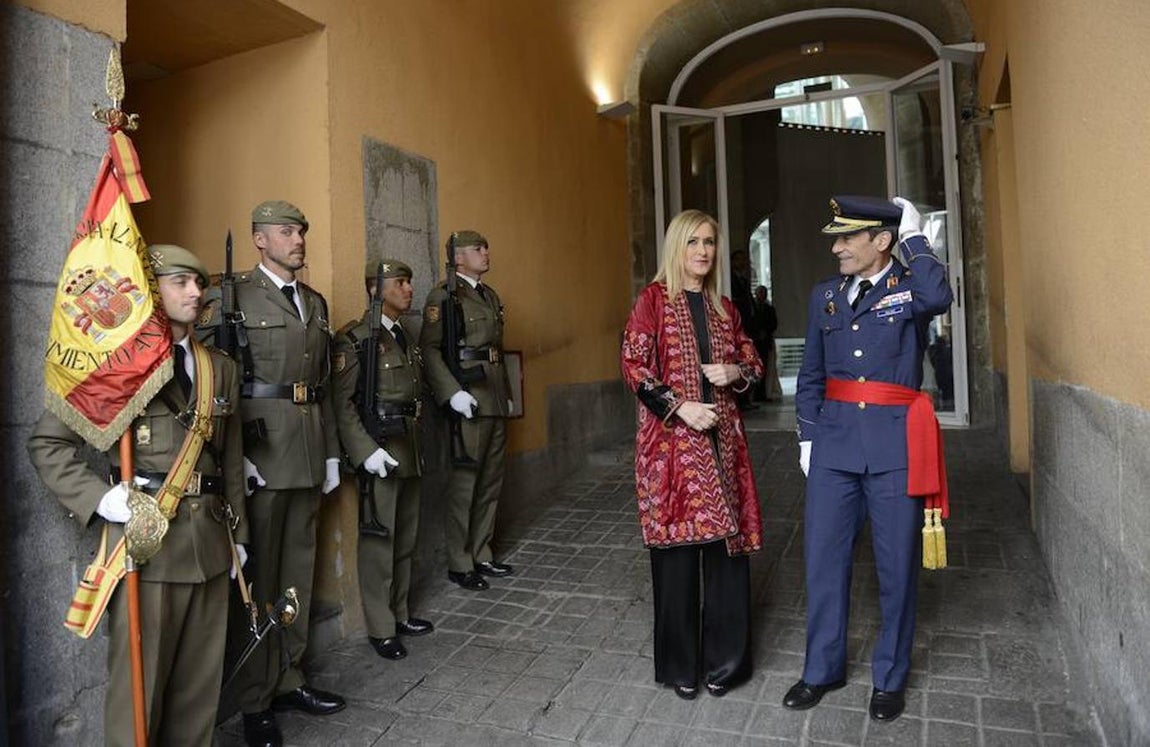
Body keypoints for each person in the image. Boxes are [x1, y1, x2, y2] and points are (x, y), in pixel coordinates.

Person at [28, 244, 247, 746]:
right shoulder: (114, 367)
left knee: (199, 692)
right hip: (147, 548)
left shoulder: (220, 368)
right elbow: (48, 443)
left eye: (199, 284)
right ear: (151, 290)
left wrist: (241, 539)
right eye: (181, 283)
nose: (196, 292)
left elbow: (230, 460)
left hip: (212, 544)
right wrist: (100, 500)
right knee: (138, 694)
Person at [785, 195, 953, 722]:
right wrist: (808, 437)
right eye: (835, 239)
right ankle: (822, 669)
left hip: (894, 448)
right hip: (833, 446)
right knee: (824, 561)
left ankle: (890, 676)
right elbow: (811, 373)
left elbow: (939, 293)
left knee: (896, 567)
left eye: (847, 238)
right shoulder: (825, 296)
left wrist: (916, 236)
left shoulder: (910, 289)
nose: (836, 248)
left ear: (882, 240)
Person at [198, 200, 344, 747]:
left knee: (297, 573)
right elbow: (215, 388)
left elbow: (320, 384)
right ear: (260, 240)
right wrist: (235, 458)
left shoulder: (314, 302)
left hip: (306, 454)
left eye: (302, 230)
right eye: (287, 231)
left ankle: (289, 676)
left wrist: (330, 451)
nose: (299, 239)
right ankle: (255, 699)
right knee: (255, 581)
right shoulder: (230, 298)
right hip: (260, 458)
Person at [620, 209, 764, 700]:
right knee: (678, 562)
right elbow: (634, 367)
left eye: (709, 243)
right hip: (672, 452)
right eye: (693, 242)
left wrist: (734, 372)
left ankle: (726, 664)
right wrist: (680, 408)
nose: (703, 251)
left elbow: (754, 360)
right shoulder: (652, 302)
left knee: (727, 556)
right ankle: (681, 667)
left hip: (724, 446)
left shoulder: (725, 306)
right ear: (676, 248)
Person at [332, 259, 434, 660]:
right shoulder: (355, 340)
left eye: (409, 282)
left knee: (406, 534)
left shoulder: (403, 338)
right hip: (379, 448)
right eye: (400, 282)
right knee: (380, 540)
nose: (409, 289)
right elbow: (342, 405)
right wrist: (366, 453)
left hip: (407, 443)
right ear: (375, 290)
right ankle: (381, 625)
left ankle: (401, 611)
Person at [419, 230, 514, 591]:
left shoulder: (489, 296)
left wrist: (505, 394)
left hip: (492, 397)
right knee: (465, 484)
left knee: (491, 479)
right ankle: (460, 561)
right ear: (458, 258)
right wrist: (452, 393)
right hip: (468, 398)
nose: (486, 253)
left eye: (486, 247)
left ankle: (482, 551)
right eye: (478, 249)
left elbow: (496, 351)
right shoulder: (443, 296)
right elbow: (429, 350)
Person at [729, 250, 759, 411]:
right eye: (738, 259)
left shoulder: (743, 278)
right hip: (739, 322)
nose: (742, 263)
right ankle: (741, 401)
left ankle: (747, 399)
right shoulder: (731, 279)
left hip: (748, 324)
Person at [753, 285, 783, 402]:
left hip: (765, 342)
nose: (761, 296)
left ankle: (763, 393)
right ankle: (754, 395)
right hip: (755, 342)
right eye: (760, 293)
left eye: (763, 293)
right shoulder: (753, 309)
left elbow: (774, 324)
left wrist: (765, 332)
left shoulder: (769, 309)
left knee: (765, 368)